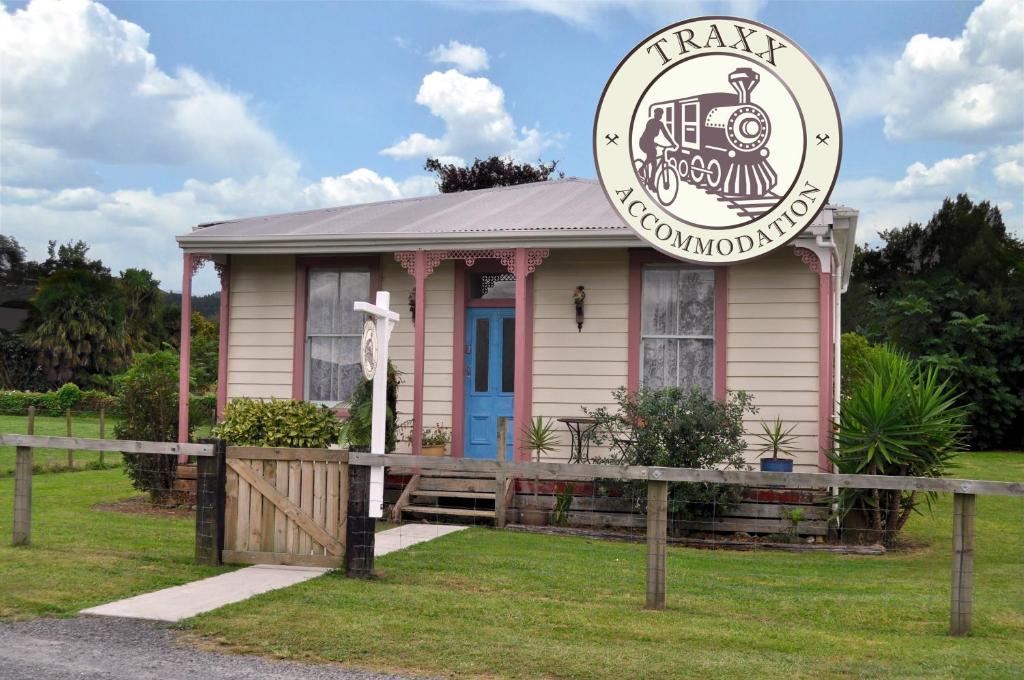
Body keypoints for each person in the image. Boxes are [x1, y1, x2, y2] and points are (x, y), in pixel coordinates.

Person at [638, 108, 674, 191]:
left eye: (661, 114)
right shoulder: (651, 122)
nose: (660, 116)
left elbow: (666, 134)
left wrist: (673, 143)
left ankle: (642, 169)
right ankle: (650, 183)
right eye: (659, 114)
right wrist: (653, 143)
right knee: (654, 162)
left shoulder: (660, 124)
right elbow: (648, 134)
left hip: (651, 143)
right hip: (644, 142)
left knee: (652, 157)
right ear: (655, 114)